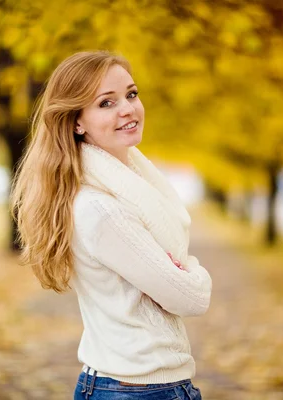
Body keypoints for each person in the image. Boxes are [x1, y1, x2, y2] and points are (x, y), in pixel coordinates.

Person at [11, 51, 212, 400]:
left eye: (131, 94)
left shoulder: (128, 188)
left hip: (147, 386)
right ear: (77, 122)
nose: (128, 109)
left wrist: (176, 270)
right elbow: (192, 298)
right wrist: (190, 269)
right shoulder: (101, 210)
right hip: (134, 390)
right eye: (106, 103)